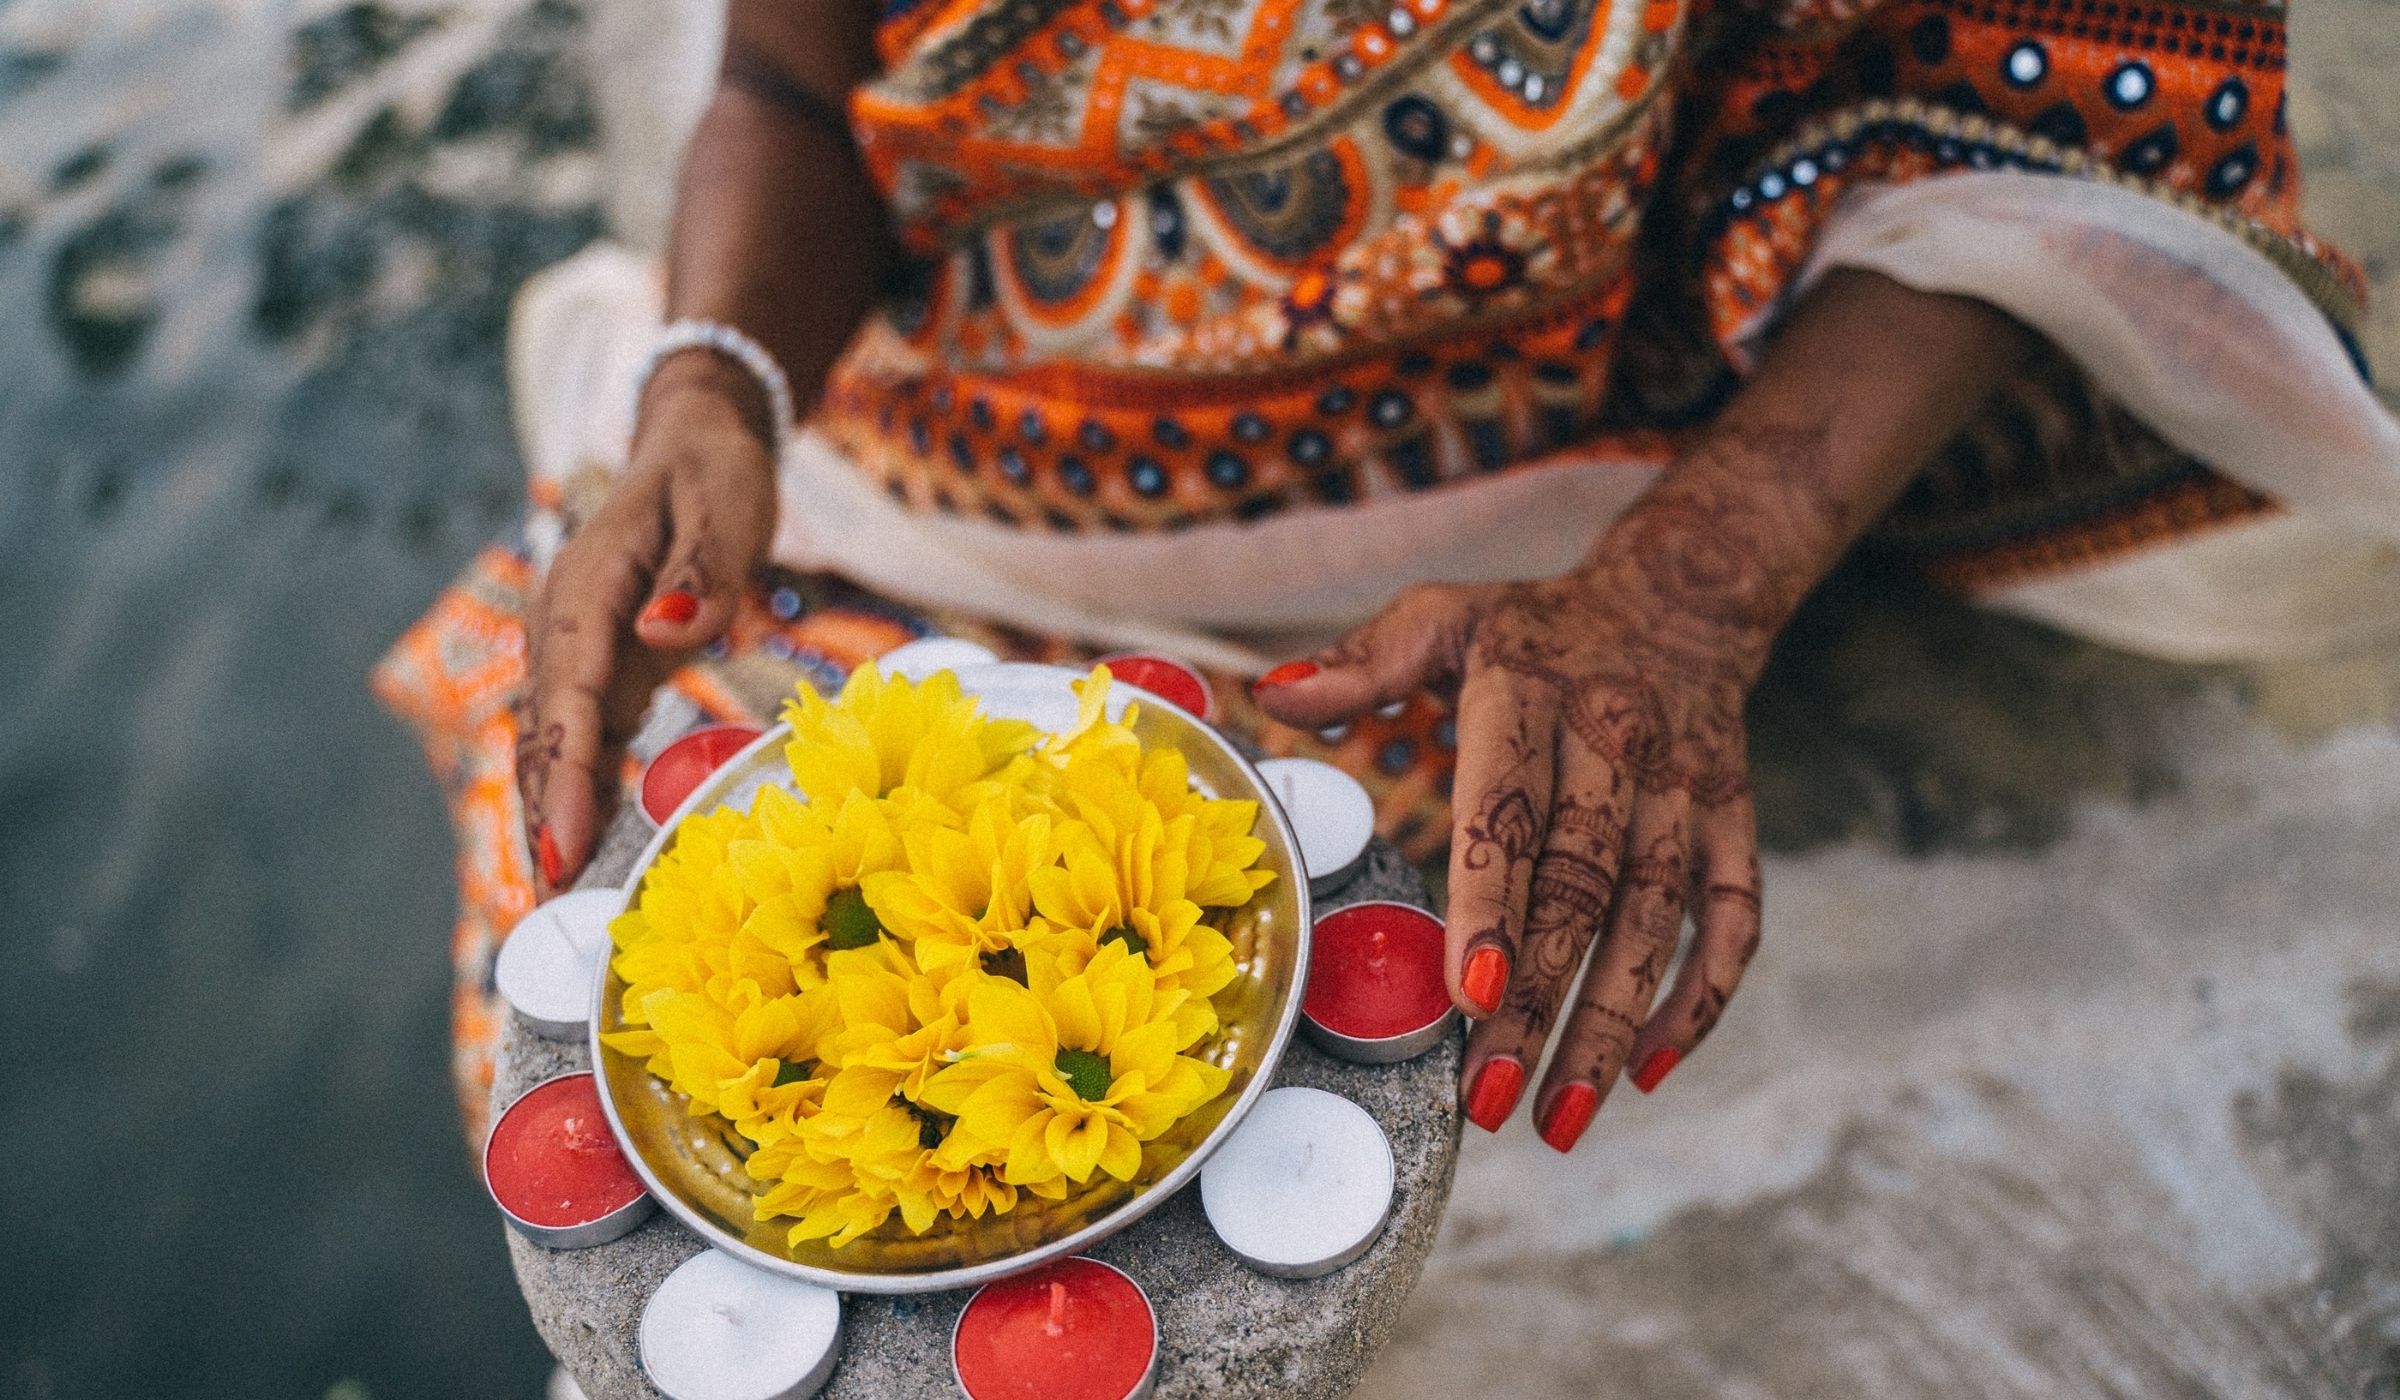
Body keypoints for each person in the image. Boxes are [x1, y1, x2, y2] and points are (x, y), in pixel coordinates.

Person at [378, 0, 2400, 1151]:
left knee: (1304, 1047)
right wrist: (712, 393)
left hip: (1519, 485)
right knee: (640, 988)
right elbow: (787, 94)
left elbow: (2029, 85)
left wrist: (1687, 589)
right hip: (953, 442)